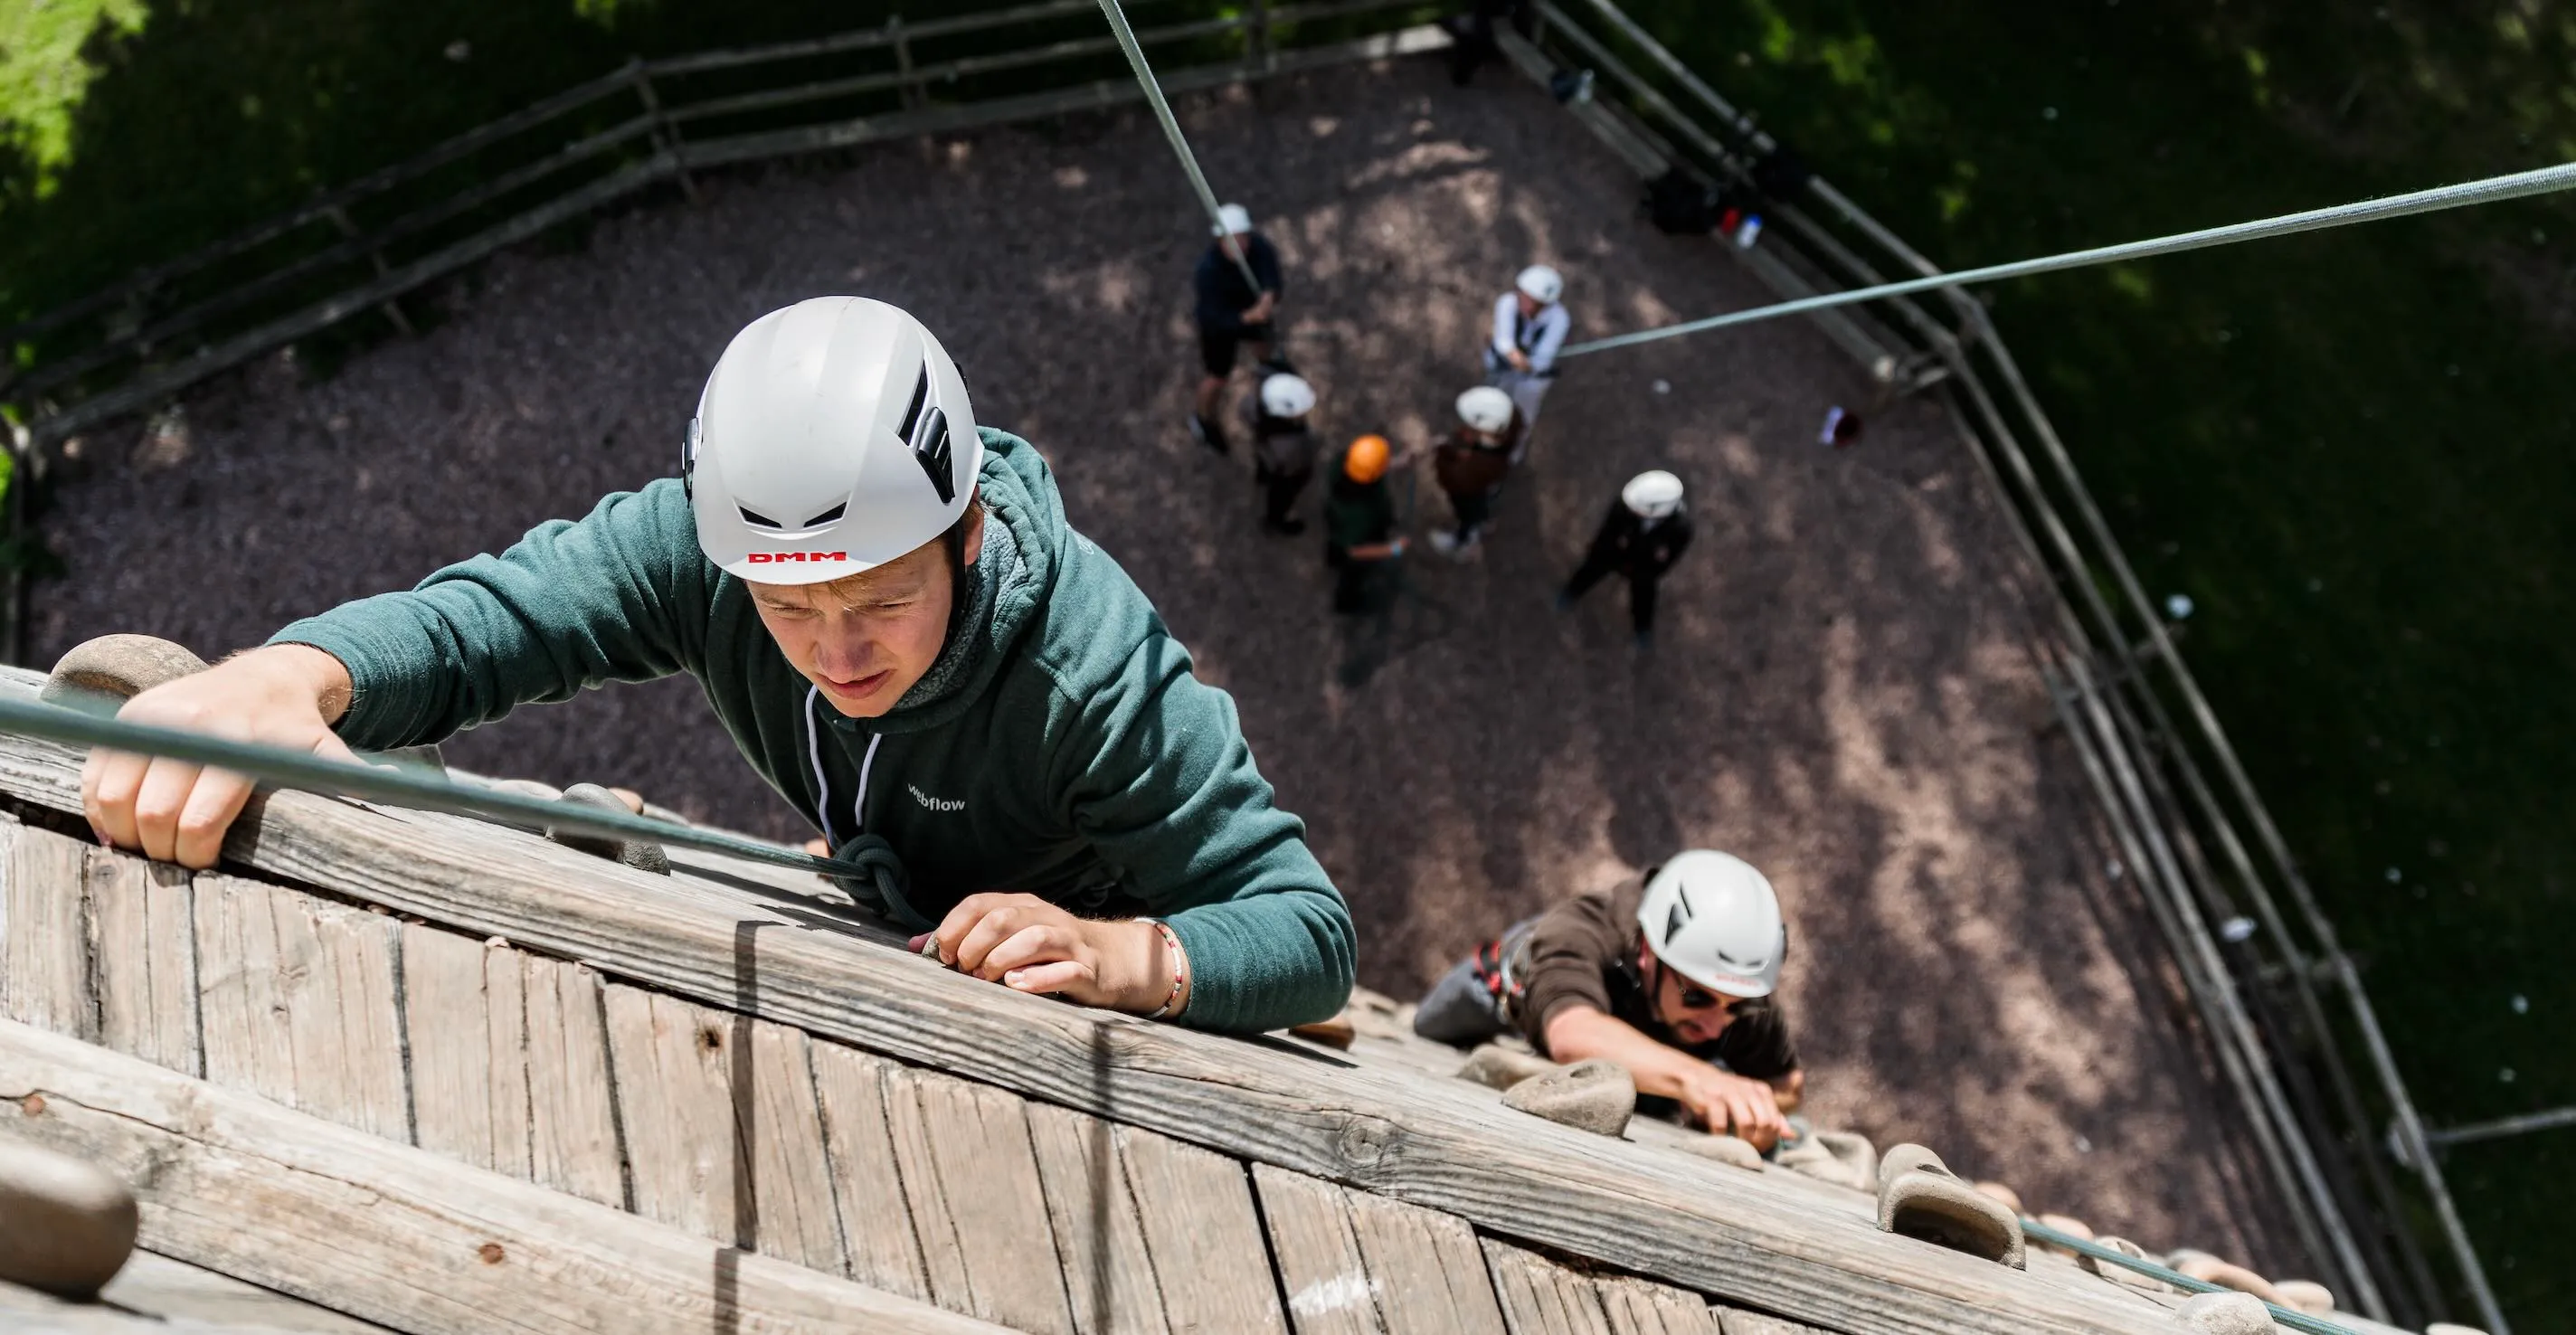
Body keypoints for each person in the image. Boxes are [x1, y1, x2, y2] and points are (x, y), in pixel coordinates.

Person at [80, 297, 1353, 1036]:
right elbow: (499, 620)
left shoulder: (1096, 678)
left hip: (1063, 940)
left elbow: (1308, 925)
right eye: (788, 611)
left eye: (884, 598)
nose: (837, 652)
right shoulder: (707, 556)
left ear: (968, 532)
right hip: (900, 894)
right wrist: (295, 674)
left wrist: (1135, 957)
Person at [1412, 850, 1804, 1149]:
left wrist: (1753, 1108)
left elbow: (1788, 1083)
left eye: (1736, 1007)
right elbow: (1570, 1032)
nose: (1716, 1023)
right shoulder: (1581, 929)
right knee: (1424, 1031)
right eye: (1697, 996)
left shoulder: (1739, 986)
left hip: (1638, 1031)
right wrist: (1702, 1080)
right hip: (1503, 992)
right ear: (1649, 952)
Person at [1558, 469, 1691, 649]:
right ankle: (1572, 592)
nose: (1634, 509)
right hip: (1613, 552)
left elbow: (1666, 562)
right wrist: (1599, 550)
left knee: (1644, 595)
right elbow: (1606, 532)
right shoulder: (1624, 506)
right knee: (1590, 570)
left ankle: (1642, 627)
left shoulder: (1680, 529)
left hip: (1643, 569)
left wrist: (1643, 571)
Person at [1191, 204, 1284, 455]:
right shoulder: (1208, 271)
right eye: (1232, 239)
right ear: (1219, 240)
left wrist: (1267, 296)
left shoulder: (1260, 248)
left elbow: (1272, 276)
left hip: (1253, 314)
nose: (1240, 245)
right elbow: (1214, 319)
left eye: (1243, 237)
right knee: (1217, 377)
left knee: (1267, 352)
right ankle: (1203, 418)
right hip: (1221, 330)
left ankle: (1271, 389)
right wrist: (1246, 318)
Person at [1427, 385, 1522, 558]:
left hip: (1470, 493)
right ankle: (1485, 519)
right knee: (1484, 501)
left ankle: (1463, 542)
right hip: (1487, 482)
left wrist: (1443, 452)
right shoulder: (1510, 423)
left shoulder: (1479, 467)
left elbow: (1453, 480)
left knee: (1468, 515)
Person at [1483, 264, 1567, 452]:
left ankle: (1515, 448)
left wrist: (1524, 364)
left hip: (1532, 380)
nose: (1522, 299)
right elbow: (1503, 341)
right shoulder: (1508, 302)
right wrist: (1514, 357)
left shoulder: (1559, 319)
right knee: (1495, 399)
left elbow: (1541, 361)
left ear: (1543, 303)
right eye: (1522, 293)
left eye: (1529, 298)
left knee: (1522, 412)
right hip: (1502, 366)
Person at [1323, 434, 1404, 615]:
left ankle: (1333, 559)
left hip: (1337, 524)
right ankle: (1346, 603)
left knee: (1335, 546)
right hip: (1360, 538)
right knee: (1352, 576)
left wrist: (1398, 463)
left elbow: (1370, 470)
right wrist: (1394, 549)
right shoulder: (1361, 512)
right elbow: (1356, 550)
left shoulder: (1342, 463)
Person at [1246, 371, 1320, 536]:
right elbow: (1296, 467)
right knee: (1281, 496)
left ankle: (1262, 476)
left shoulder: (1252, 404)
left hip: (1263, 450)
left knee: (1264, 466)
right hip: (1285, 472)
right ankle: (1275, 521)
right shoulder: (1294, 445)